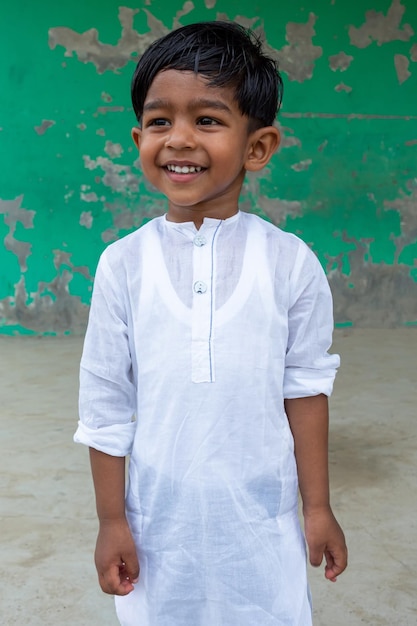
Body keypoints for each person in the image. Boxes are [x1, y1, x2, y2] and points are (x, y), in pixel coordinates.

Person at [75, 20, 347, 626]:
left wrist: (318, 508)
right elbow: (105, 405)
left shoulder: (289, 263)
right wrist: (112, 521)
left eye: (207, 120)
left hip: (261, 527)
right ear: (138, 136)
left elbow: (305, 390)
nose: (178, 139)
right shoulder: (122, 265)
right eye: (159, 120)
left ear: (258, 147)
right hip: (156, 528)